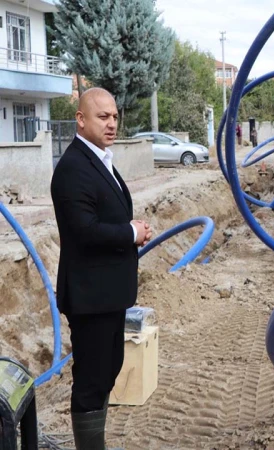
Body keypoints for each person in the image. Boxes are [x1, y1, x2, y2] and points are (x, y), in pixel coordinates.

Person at [50, 87, 153, 449]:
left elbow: (104, 216)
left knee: (106, 373)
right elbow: (83, 231)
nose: (112, 124)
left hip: (108, 295)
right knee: (92, 381)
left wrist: (130, 230)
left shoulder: (99, 159)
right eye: (102, 117)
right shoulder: (73, 168)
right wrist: (130, 232)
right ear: (80, 119)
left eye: (114, 116)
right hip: (90, 298)